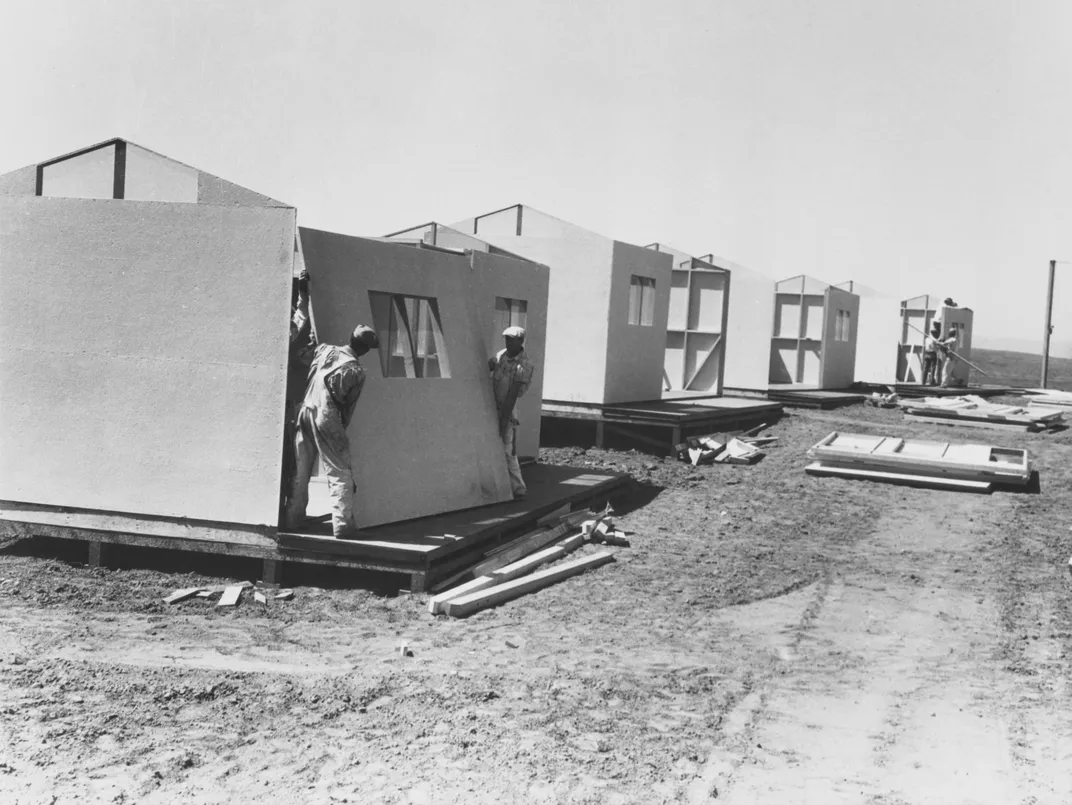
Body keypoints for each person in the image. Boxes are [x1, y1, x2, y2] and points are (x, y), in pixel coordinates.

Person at [284, 323, 380, 538]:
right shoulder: (356, 371)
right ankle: (343, 526)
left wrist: (310, 341)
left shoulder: (325, 350)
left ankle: (293, 518)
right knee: (340, 471)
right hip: (327, 417)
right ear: (365, 349)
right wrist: (339, 433)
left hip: (305, 410)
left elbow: (300, 359)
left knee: (300, 469)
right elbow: (348, 407)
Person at [488, 326, 535, 500]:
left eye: (511, 340)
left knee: (508, 450)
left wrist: (503, 420)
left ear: (520, 341)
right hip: (491, 405)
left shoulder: (524, 366)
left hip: (508, 409)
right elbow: (487, 367)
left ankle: (518, 489)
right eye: (506, 339)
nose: (507, 343)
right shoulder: (501, 355)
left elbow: (513, 395)